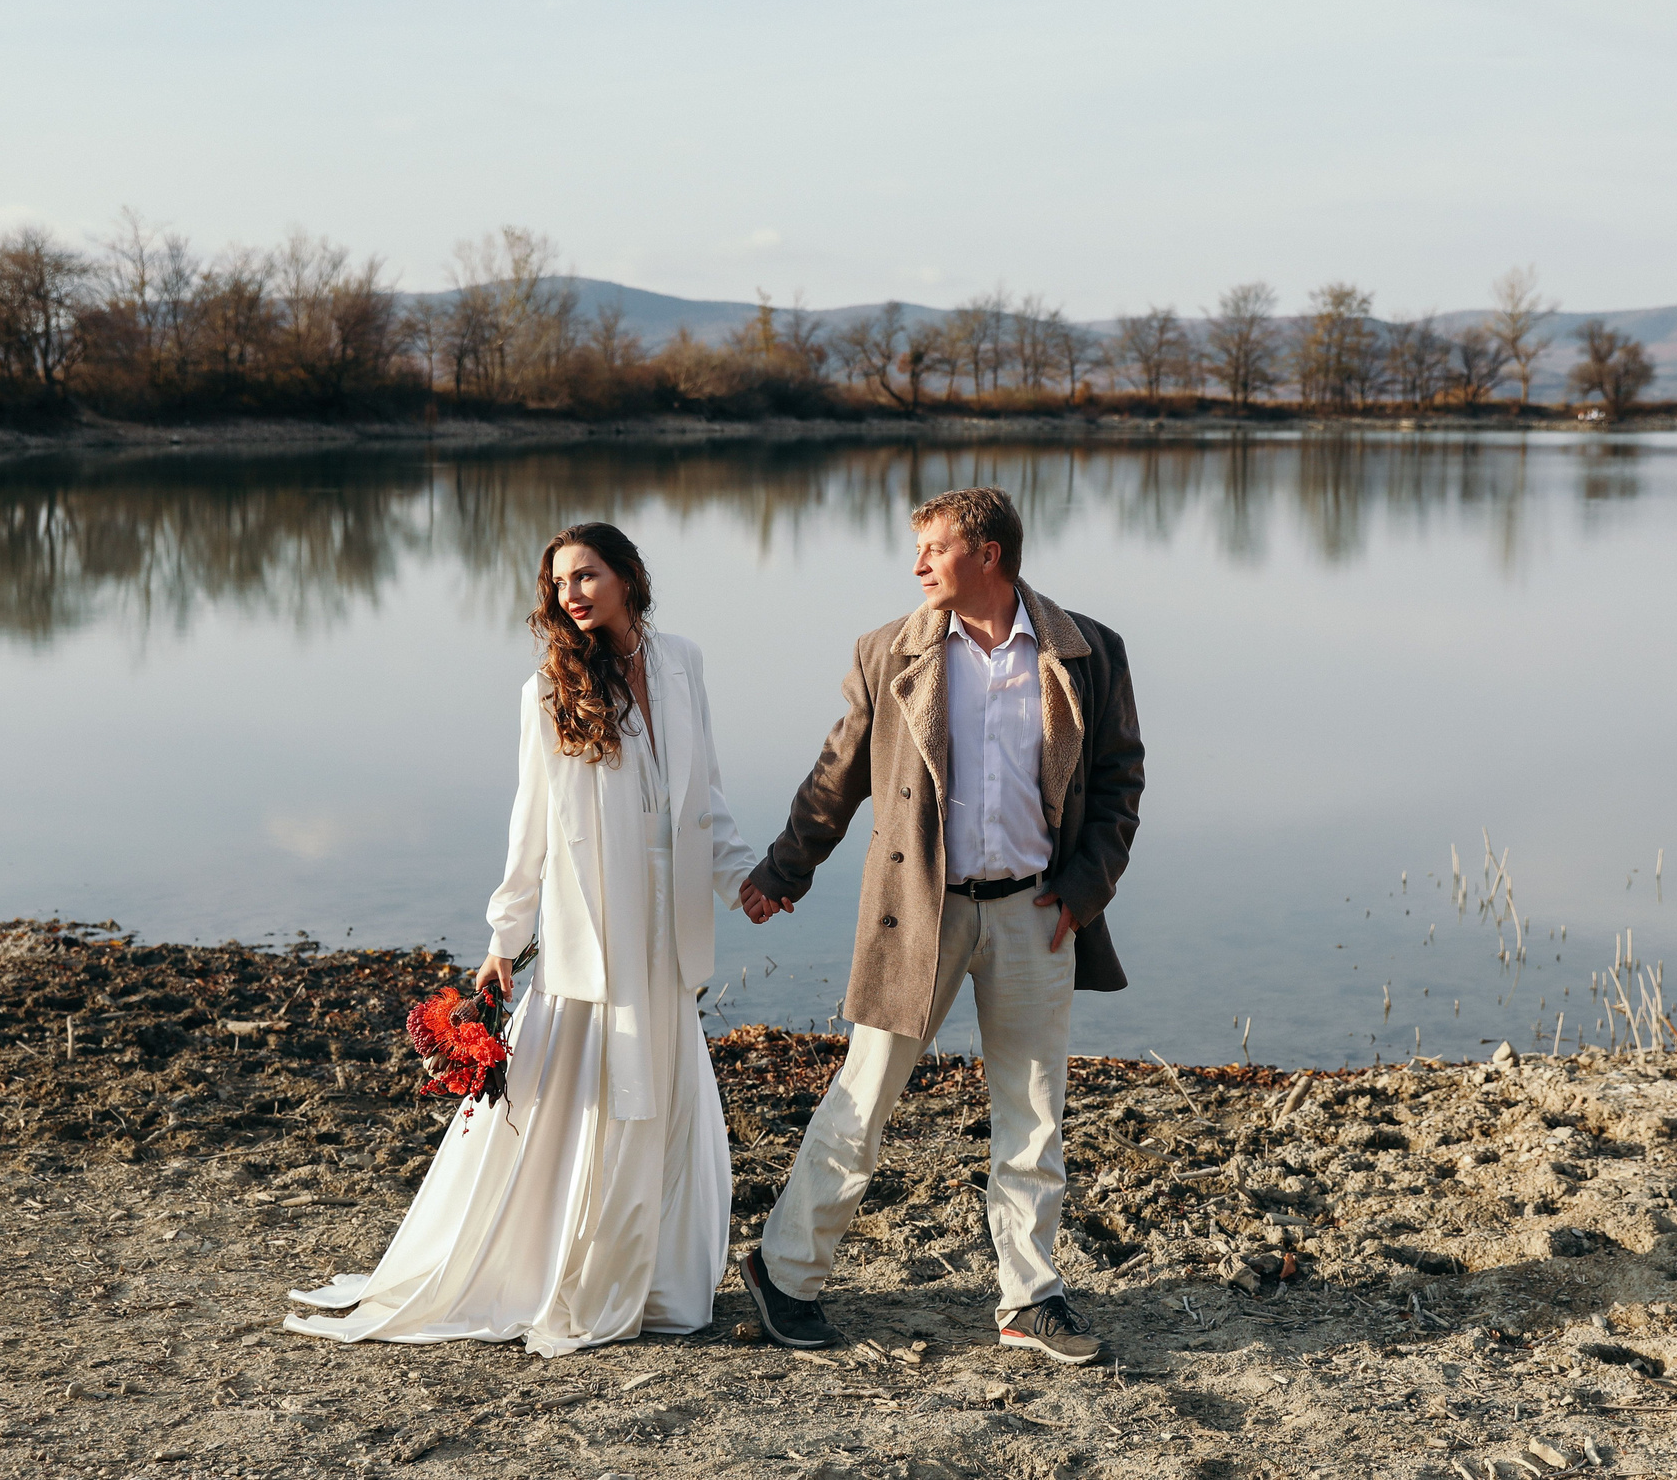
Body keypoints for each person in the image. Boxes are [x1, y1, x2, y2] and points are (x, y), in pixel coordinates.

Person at [285, 523, 756, 1357]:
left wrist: (749, 880)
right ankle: (588, 1280)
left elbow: (705, 799)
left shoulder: (683, 661)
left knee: (670, 1100)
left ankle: (662, 1285)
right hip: (596, 923)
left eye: (587, 574)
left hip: (669, 919)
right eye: (560, 581)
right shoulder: (550, 687)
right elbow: (531, 825)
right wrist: (506, 935)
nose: (572, 592)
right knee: (607, 1100)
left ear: (628, 575)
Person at [734, 486, 1144, 1365]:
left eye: (933, 546)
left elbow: (1119, 782)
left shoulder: (1088, 651)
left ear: (987, 553)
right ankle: (785, 1272)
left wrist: (1083, 889)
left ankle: (1029, 1299)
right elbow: (836, 773)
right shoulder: (890, 651)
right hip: (920, 910)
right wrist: (783, 868)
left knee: (1034, 1111)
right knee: (863, 1095)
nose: (917, 563)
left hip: (1040, 913)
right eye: (916, 548)